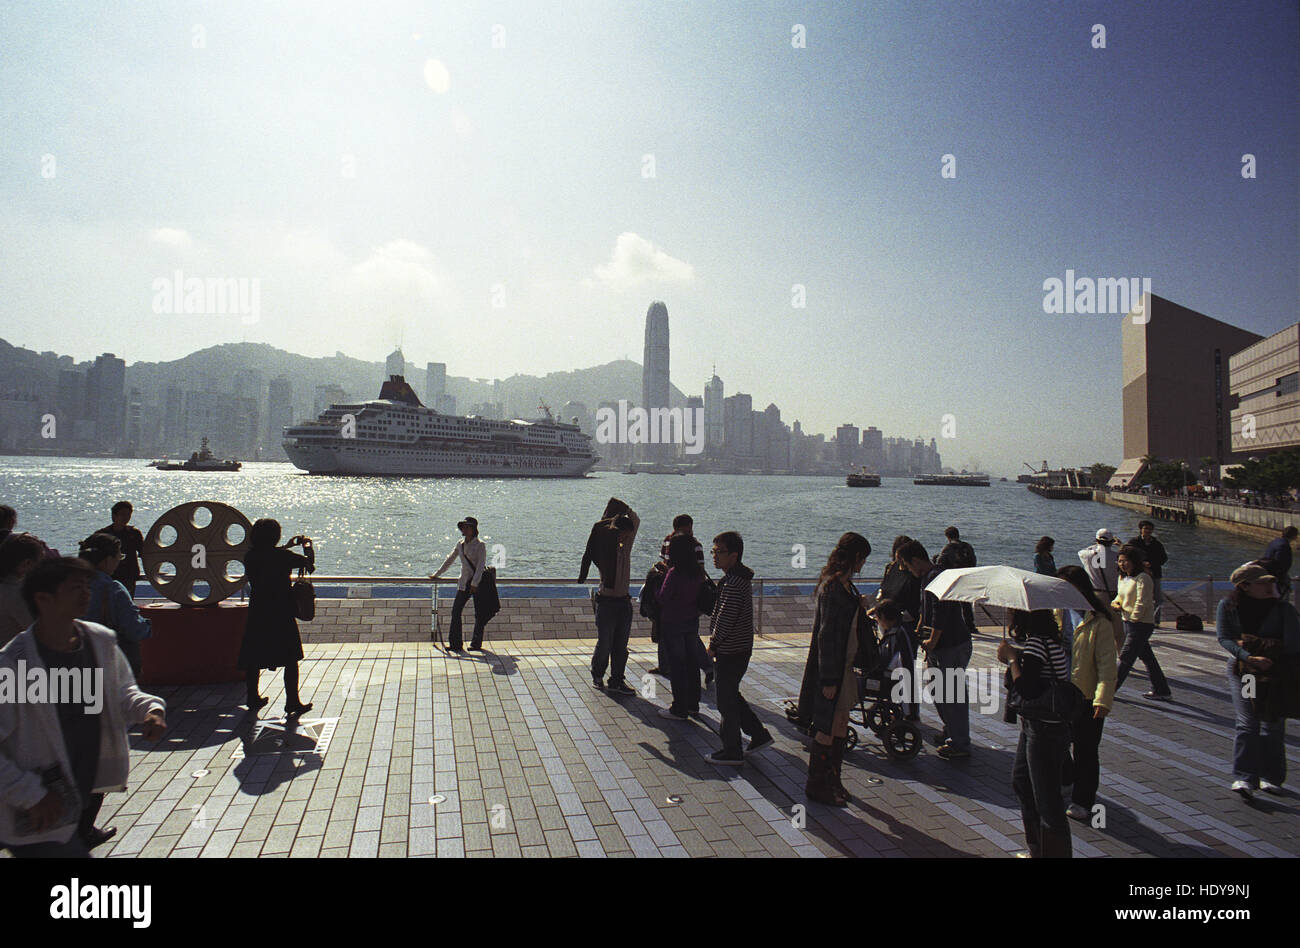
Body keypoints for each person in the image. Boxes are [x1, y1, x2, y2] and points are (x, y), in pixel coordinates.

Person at [0, 557, 167, 857]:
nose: (86, 594)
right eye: (75, 588)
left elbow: (122, 691)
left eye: (87, 586)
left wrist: (148, 710)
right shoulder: (15, 665)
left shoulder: (98, 641)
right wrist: (32, 795)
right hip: (39, 808)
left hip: (80, 793)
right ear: (43, 599)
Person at [798, 532, 872, 806]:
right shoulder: (833, 589)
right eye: (862, 558)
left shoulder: (845, 587)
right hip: (834, 671)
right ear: (854, 558)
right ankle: (817, 785)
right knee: (826, 727)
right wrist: (828, 679)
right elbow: (826, 637)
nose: (863, 564)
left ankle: (832, 779)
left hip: (845, 668)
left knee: (840, 723)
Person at [1216, 562, 1298, 798]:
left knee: (1272, 724)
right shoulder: (1228, 606)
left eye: (1271, 581)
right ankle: (1244, 777)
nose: (1270, 586)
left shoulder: (1284, 609)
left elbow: (1294, 643)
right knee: (1248, 722)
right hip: (1246, 672)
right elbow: (1225, 638)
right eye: (1263, 582)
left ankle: (1271, 777)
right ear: (1245, 586)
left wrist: (1257, 644)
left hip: (1276, 672)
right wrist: (1248, 655)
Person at [997, 609, 1074, 858]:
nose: (1008, 615)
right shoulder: (1044, 642)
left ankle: (1051, 853)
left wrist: (1011, 659)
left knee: (1047, 799)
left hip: (1044, 728)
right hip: (1036, 725)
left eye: (1011, 611)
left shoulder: (1037, 644)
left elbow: (1027, 689)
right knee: (1022, 782)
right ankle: (1038, 849)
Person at [1055, 566, 1118, 822]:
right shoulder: (1056, 614)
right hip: (1060, 692)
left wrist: (1103, 699)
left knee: (1086, 750)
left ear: (1080, 588)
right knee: (1057, 743)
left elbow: (1107, 665)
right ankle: (1067, 779)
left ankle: (1083, 800)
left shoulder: (1099, 621)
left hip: (1086, 695)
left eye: (1067, 586)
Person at [705, 531, 772, 765]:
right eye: (713, 551)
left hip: (731, 649)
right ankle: (759, 734)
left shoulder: (733, 582)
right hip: (739, 647)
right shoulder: (735, 579)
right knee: (731, 694)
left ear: (733, 556)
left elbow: (726, 617)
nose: (714, 556)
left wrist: (714, 644)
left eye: (719, 552)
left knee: (725, 700)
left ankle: (732, 750)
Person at [903, 539, 973, 759]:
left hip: (951, 645)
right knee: (938, 690)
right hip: (944, 645)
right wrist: (921, 628)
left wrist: (931, 641)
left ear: (915, 560)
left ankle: (960, 743)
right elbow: (927, 610)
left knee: (952, 695)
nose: (906, 570)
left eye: (906, 565)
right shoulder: (928, 577)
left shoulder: (935, 577)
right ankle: (952, 731)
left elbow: (940, 613)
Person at [239, 519, 315, 716]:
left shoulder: (250, 556)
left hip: (258, 610)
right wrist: (307, 546)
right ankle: (292, 701)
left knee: (253, 657)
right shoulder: (283, 557)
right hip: (281, 610)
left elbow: (267, 554)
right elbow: (309, 564)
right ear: (276, 536)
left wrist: (286, 547)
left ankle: (252, 697)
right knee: (290, 658)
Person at [578, 498, 639, 696]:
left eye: (627, 534)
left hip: (623, 602)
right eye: (623, 533)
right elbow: (593, 546)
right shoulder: (606, 547)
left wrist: (624, 509)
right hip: (606, 601)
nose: (626, 536)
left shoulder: (626, 547)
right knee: (604, 643)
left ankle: (617, 680)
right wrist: (613, 520)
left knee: (621, 646)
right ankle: (598, 675)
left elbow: (635, 520)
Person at [77, 533, 152, 680]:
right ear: (107, 560)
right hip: (108, 668)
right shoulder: (113, 589)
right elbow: (134, 630)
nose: (119, 562)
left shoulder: (66, 586)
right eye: (119, 557)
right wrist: (147, 626)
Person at [652, 514, 712, 685]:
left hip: (683, 598)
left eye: (690, 529)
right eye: (685, 530)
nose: (689, 533)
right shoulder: (668, 542)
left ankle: (706, 667)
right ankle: (665, 666)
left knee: (689, 638)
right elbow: (663, 562)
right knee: (668, 633)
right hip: (671, 594)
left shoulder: (695, 546)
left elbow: (700, 571)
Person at [655, 534, 705, 721]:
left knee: (677, 665)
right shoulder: (698, 573)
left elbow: (663, 597)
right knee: (692, 664)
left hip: (673, 622)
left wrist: (656, 584)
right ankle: (693, 705)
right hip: (692, 622)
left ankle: (679, 708)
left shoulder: (674, 573)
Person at [1112, 544, 1171, 701]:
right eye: (1120, 561)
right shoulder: (1123, 577)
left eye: (1126, 561)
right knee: (1148, 658)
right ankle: (1161, 689)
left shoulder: (1143, 578)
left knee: (1125, 659)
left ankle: (1108, 691)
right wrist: (1115, 603)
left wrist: (1134, 618)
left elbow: (1143, 601)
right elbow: (1120, 596)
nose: (1122, 564)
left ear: (1134, 561)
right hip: (1127, 621)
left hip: (1140, 624)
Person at [430, 516, 489, 653]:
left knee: (479, 614)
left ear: (474, 529)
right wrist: (437, 574)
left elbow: (481, 566)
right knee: (455, 612)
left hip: (477, 584)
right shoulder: (460, 544)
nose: (465, 529)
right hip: (464, 583)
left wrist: (475, 583)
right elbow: (449, 559)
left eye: (468, 526)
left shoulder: (480, 545)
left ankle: (476, 643)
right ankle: (456, 644)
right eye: (464, 526)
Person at [1079, 529, 1124, 651]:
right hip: (1113, 595)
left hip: (1096, 594)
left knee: (1093, 626)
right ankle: (1121, 655)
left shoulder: (1088, 555)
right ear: (1111, 542)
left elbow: (1081, 552)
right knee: (1118, 630)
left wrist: (1096, 546)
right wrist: (1120, 545)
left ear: (1096, 540)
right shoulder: (1117, 557)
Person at [0, 533, 43, 645]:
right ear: (26, 564)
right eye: (41, 562)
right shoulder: (16, 595)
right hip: (16, 658)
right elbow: (36, 631)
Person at [99, 502, 145, 599]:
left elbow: (144, 553)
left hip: (129, 575)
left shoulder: (134, 534)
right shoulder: (102, 535)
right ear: (114, 515)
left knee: (127, 601)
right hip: (109, 576)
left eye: (128, 514)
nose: (126, 517)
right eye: (123, 514)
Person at [1127, 521, 1168, 625]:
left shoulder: (1157, 543)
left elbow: (1164, 558)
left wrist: (1151, 564)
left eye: (1150, 529)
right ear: (1141, 529)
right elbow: (1127, 555)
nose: (1148, 531)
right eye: (1145, 529)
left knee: (1157, 598)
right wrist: (1141, 564)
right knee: (1136, 596)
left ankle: (1155, 621)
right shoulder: (1134, 542)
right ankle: (1136, 619)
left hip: (1154, 573)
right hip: (1138, 574)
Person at [1263, 526, 1298, 602]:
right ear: (1294, 536)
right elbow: (1281, 565)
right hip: (1277, 578)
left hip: (1269, 574)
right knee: (1281, 600)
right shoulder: (1284, 546)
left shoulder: (1275, 541)